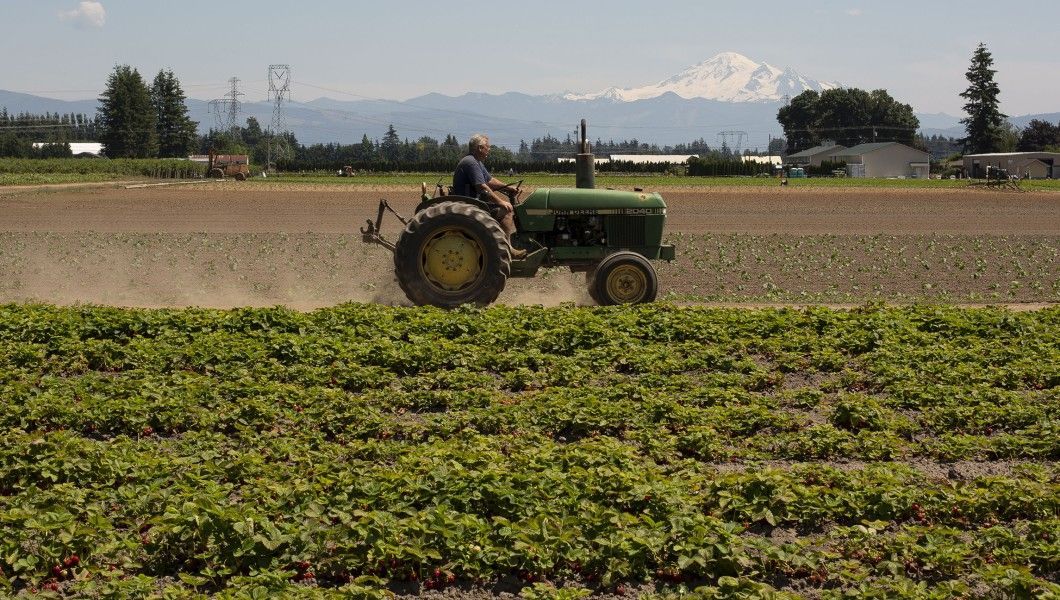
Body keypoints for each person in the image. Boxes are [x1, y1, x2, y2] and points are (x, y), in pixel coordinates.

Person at [453, 133, 525, 257]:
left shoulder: (476, 162)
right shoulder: (471, 163)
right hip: (470, 204)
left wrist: (508, 188)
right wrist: (501, 202)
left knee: (502, 206)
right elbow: (481, 186)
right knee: (506, 210)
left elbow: (490, 181)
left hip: (473, 201)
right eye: (488, 147)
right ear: (480, 148)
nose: (489, 149)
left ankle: (499, 243)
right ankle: (507, 249)